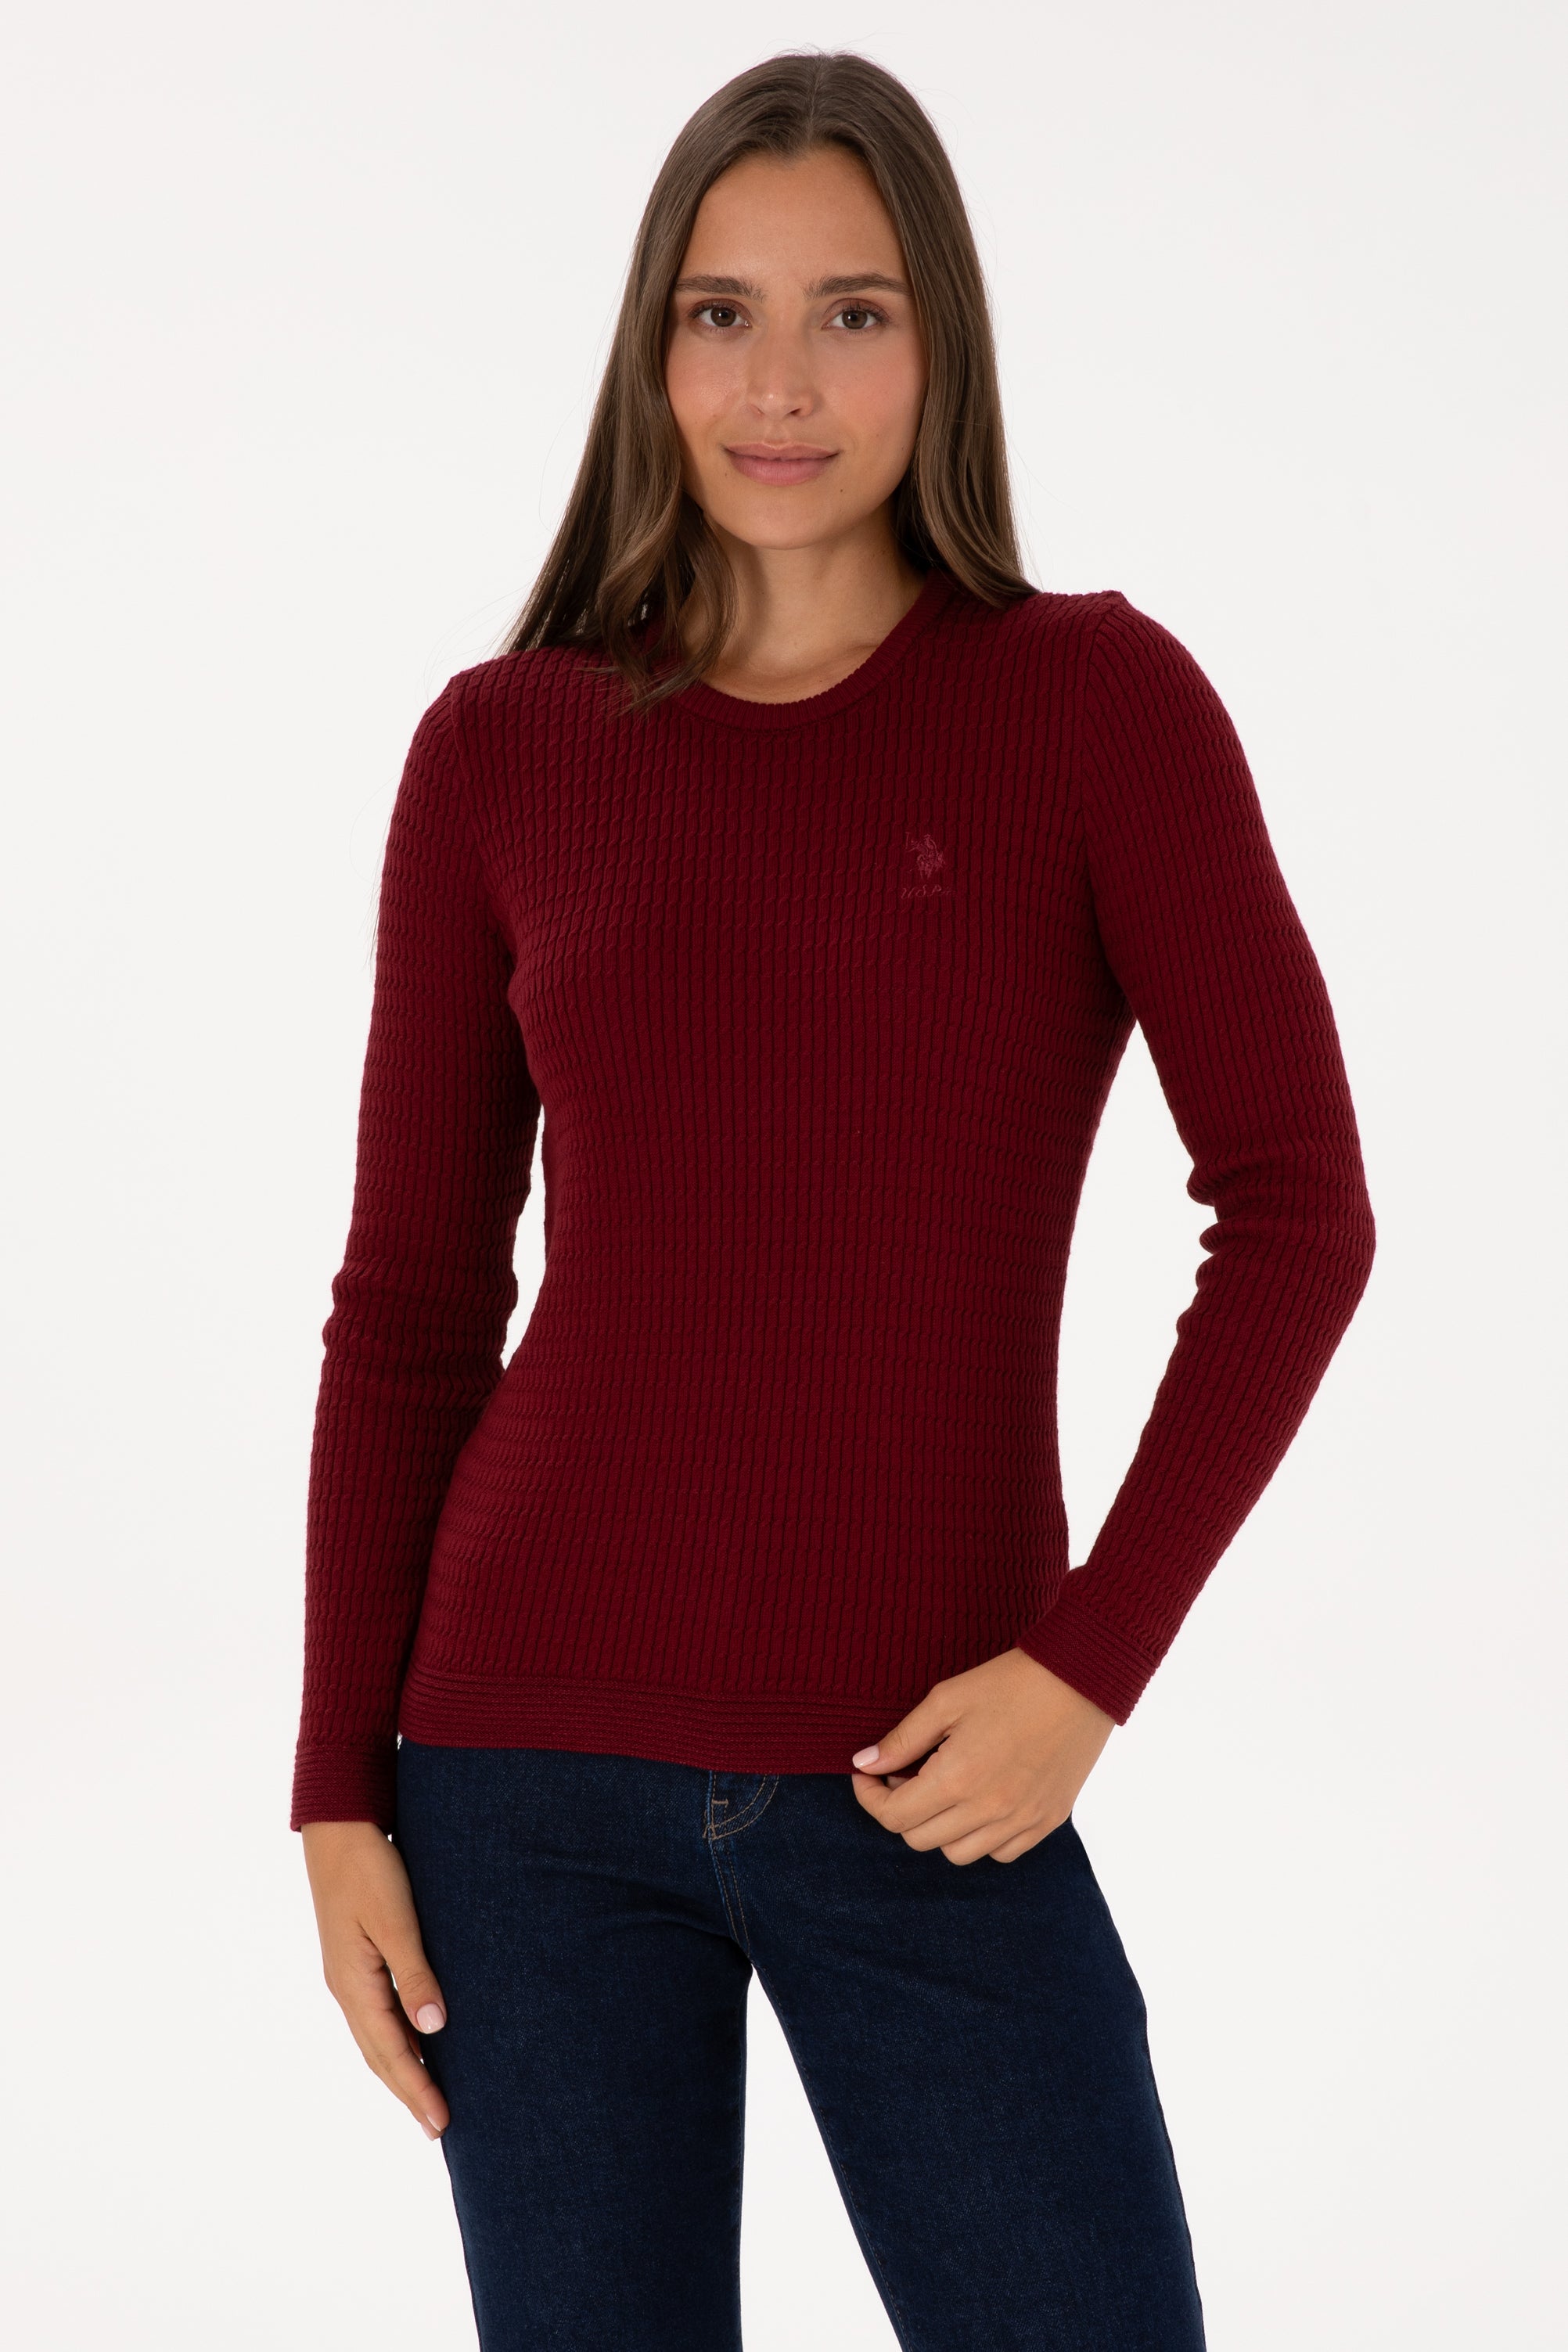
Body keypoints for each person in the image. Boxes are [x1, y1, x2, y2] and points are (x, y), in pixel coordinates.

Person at [294, 49, 1374, 2352]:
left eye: (851, 314)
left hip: (930, 1773)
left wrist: (1089, 1665)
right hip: (518, 1774)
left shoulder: (1094, 703)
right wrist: (332, 1794)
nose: (778, 382)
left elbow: (1297, 1211)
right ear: (651, 346)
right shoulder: (501, 747)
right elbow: (410, 1307)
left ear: (939, 343)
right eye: (722, 313)